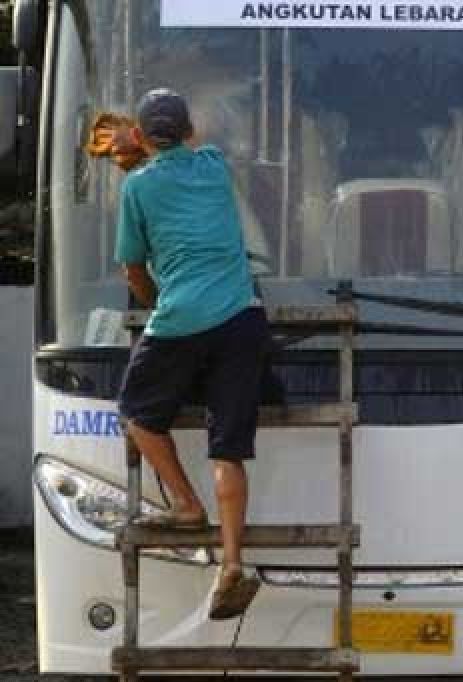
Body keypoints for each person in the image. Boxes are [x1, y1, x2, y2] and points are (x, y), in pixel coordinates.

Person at [113, 88, 270, 620]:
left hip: (181, 320)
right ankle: (231, 564)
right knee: (228, 450)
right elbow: (181, 147)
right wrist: (136, 141)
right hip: (244, 319)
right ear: (190, 133)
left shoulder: (136, 187)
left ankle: (184, 502)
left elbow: (134, 268)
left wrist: (154, 300)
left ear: (142, 137)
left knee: (136, 412)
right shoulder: (214, 165)